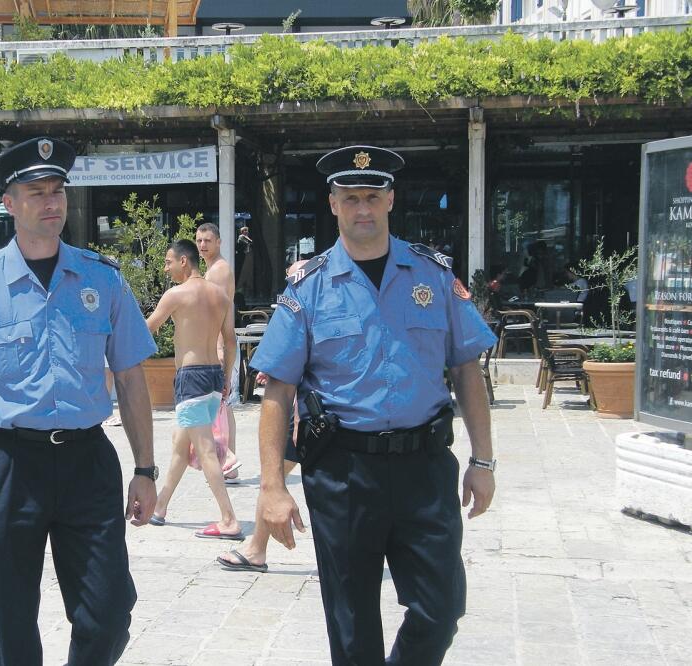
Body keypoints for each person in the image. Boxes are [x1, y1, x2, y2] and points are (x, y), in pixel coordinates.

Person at [0, 137, 159, 666]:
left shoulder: (103, 278)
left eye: (57, 191)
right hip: (11, 463)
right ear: (8, 204)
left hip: (87, 461)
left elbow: (133, 379)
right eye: (35, 192)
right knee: (12, 618)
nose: (51, 203)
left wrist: (146, 468)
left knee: (111, 608)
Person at [252, 145, 497, 665]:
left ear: (390, 199)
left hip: (424, 468)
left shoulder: (433, 276)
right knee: (351, 623)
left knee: (441, 608)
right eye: (350, 198)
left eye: (372, 196)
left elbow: (467, 369)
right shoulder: (309, 288)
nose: (362, 208)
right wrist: (272, 487)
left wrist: (483, 461)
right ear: (333, 204)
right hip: (343, 474)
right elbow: (277, 391)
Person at [215, 258, 308, 571]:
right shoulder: (302, 298)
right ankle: (256, 546)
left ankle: (255, 546)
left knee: (275, 476)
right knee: (275, 475)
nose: (293, 282)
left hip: (316, 415)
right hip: (307, 412)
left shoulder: (314, 292)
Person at [145, 239, 241, 540]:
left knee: (205, 450)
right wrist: (226, 379)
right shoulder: (221, 296)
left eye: (168, 261)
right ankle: (159, 508)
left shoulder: (176, 294)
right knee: (180, 446)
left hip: (191, 377)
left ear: (184, 262)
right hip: (213, 376)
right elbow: (230, 341)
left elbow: (146, 327)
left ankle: (229, 519)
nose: (166, 267)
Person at [195, 222, 240, 481]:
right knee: (223, 407)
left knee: (218, 407)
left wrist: (219, 350)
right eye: (199, 241)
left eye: (207, 241)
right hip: (218, 346)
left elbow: (219, 315)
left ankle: (228, 460)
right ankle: (228, 462)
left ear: (219, 242)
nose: (203, 245)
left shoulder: (219, 271)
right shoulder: (213, 269)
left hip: (219, 346)